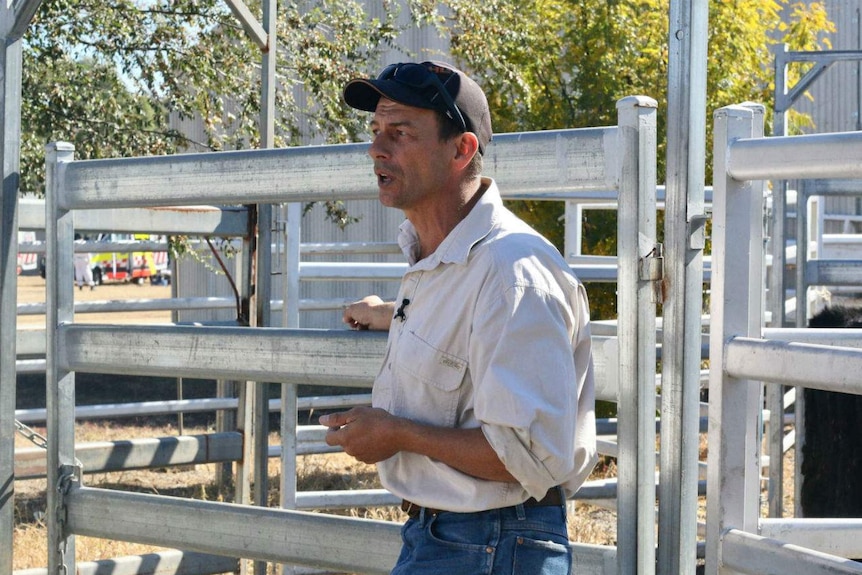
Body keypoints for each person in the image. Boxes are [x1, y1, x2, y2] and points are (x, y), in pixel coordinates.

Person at [319, 61, 597, 575]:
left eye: (400, 133)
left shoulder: (512, 272)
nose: (377, 149)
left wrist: (397, 433)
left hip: (493, 542)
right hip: (454, 539)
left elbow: (529, 456)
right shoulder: (445, 262)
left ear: (461, 149)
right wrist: (389, 315)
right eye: (376, 131)